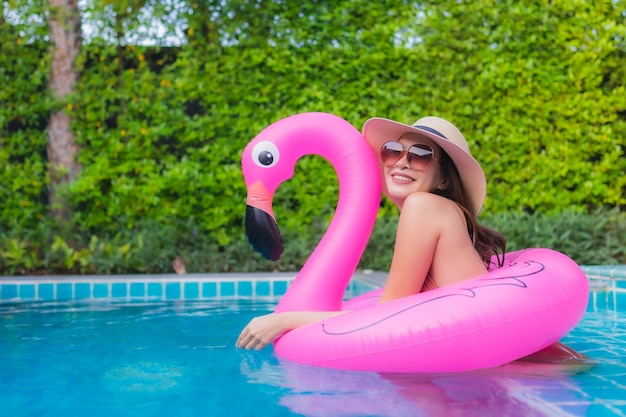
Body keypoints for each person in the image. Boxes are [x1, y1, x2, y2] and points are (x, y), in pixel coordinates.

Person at [236, 116, 506, 351]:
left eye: (421, 155)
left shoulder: (423, 206)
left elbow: (386, 316)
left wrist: (282, 320)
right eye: (393, 151)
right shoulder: (442, 211)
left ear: (444, 179)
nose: (401, 162)